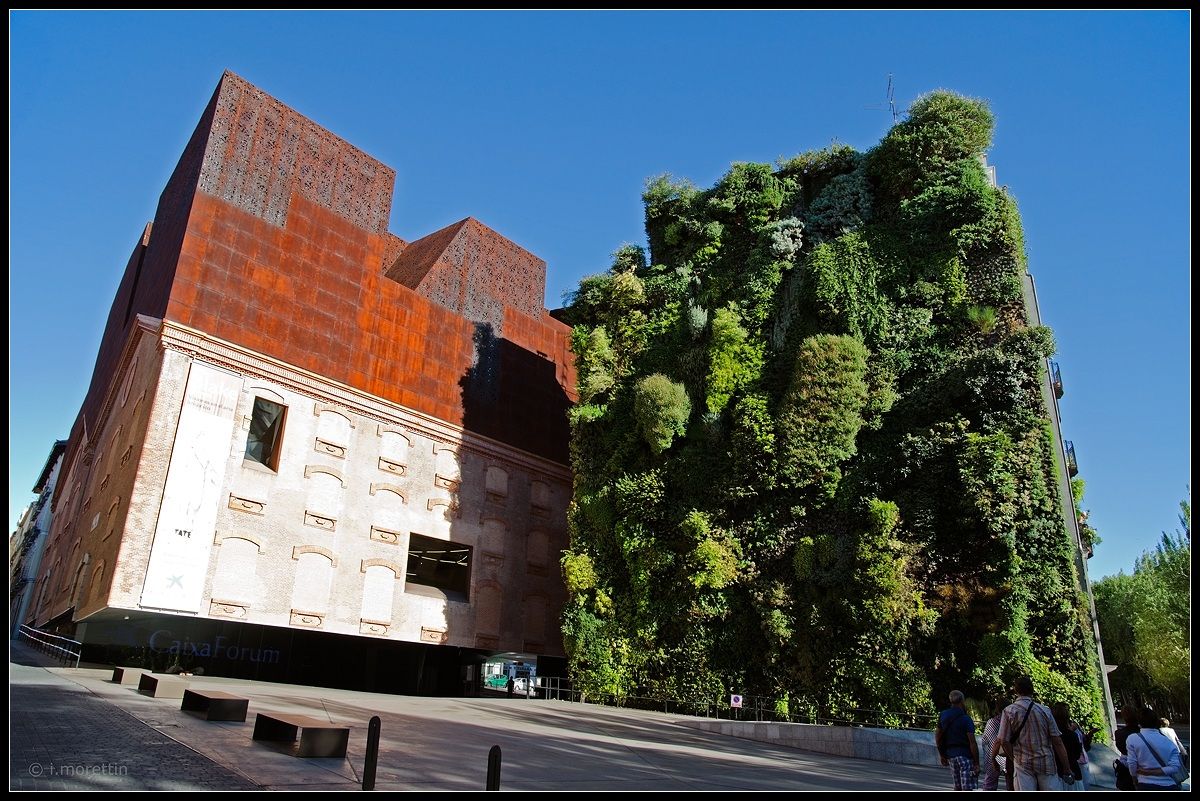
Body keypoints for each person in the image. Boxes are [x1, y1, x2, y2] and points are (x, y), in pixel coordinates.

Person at [990, 676, 1073, 791]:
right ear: (1032, 690)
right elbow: (1057, 741)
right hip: (1046, 761)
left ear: (1016, 690)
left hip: (1022, 763)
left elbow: (1003, 740)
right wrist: (1066, 768)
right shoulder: (1045, 710)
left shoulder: (1009, 711)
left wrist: (1014, 758)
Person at [1128, 706, 1183, 790]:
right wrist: (1152, 772)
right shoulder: (1169, 742)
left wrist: (1134, 778)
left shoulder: (1132, 738)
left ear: (1139, 723)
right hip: (1169, 785)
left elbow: (1132, 763)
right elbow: (1175, 767)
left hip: (1145, 783)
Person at [936, 689, 980, 790]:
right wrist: (976, 763)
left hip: (951, 756)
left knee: (957, 787)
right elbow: (972, 742)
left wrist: (942, 755)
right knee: (967, 788)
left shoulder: (943, 715)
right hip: (965, 756)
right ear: (962, 701)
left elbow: (938, 737)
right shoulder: (966, 719)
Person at [980, 699, 1015, 791]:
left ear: (997, 708)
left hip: (994, 755)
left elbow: (991, 742)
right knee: (1011, 783)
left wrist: (994, 758)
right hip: (1010, 756)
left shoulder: (992, 722)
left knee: (990, 783)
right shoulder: (1012, 721)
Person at [1052, 703, 1084, 790]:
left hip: (1055, 774)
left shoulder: (1049, 736)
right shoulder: (1072, 735)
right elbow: (1077, 755)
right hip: (1072, 772)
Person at [1114, 705, 1142, 791]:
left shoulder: (1119, 733)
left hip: (1126, 771)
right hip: (1145, 769)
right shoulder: (1143, 733)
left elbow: (1122, 749)